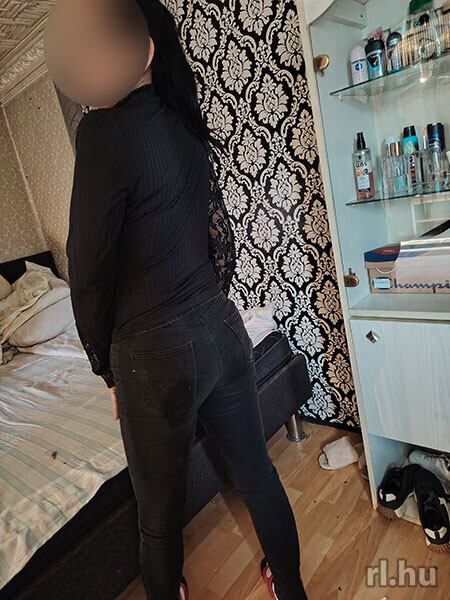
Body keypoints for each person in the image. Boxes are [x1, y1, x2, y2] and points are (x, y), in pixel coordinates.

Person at [64, 1, 308, 598]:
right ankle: (291, 589)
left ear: (143, 50)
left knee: (158, 520)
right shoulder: (184, 121)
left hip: (152, 357)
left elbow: (86, 272)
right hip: (221, 328)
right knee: (258, 475)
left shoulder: (101, 132)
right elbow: (219, 237)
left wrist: (106, 367)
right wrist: (207, 311)